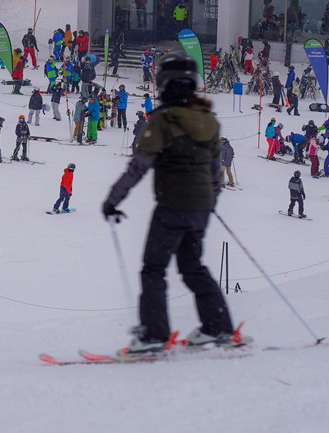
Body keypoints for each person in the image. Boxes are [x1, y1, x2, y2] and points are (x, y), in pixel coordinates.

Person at [102, 52, 244, 359]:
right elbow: (213, 168)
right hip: (200, 208)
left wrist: (113, 200)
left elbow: (139, 165)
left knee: (154, 269)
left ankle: (155, 334)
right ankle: (217, 325)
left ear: (164, 83)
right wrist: (211, 201)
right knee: (192, 266)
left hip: (172, 206)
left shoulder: (164, 120)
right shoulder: (208, 119)